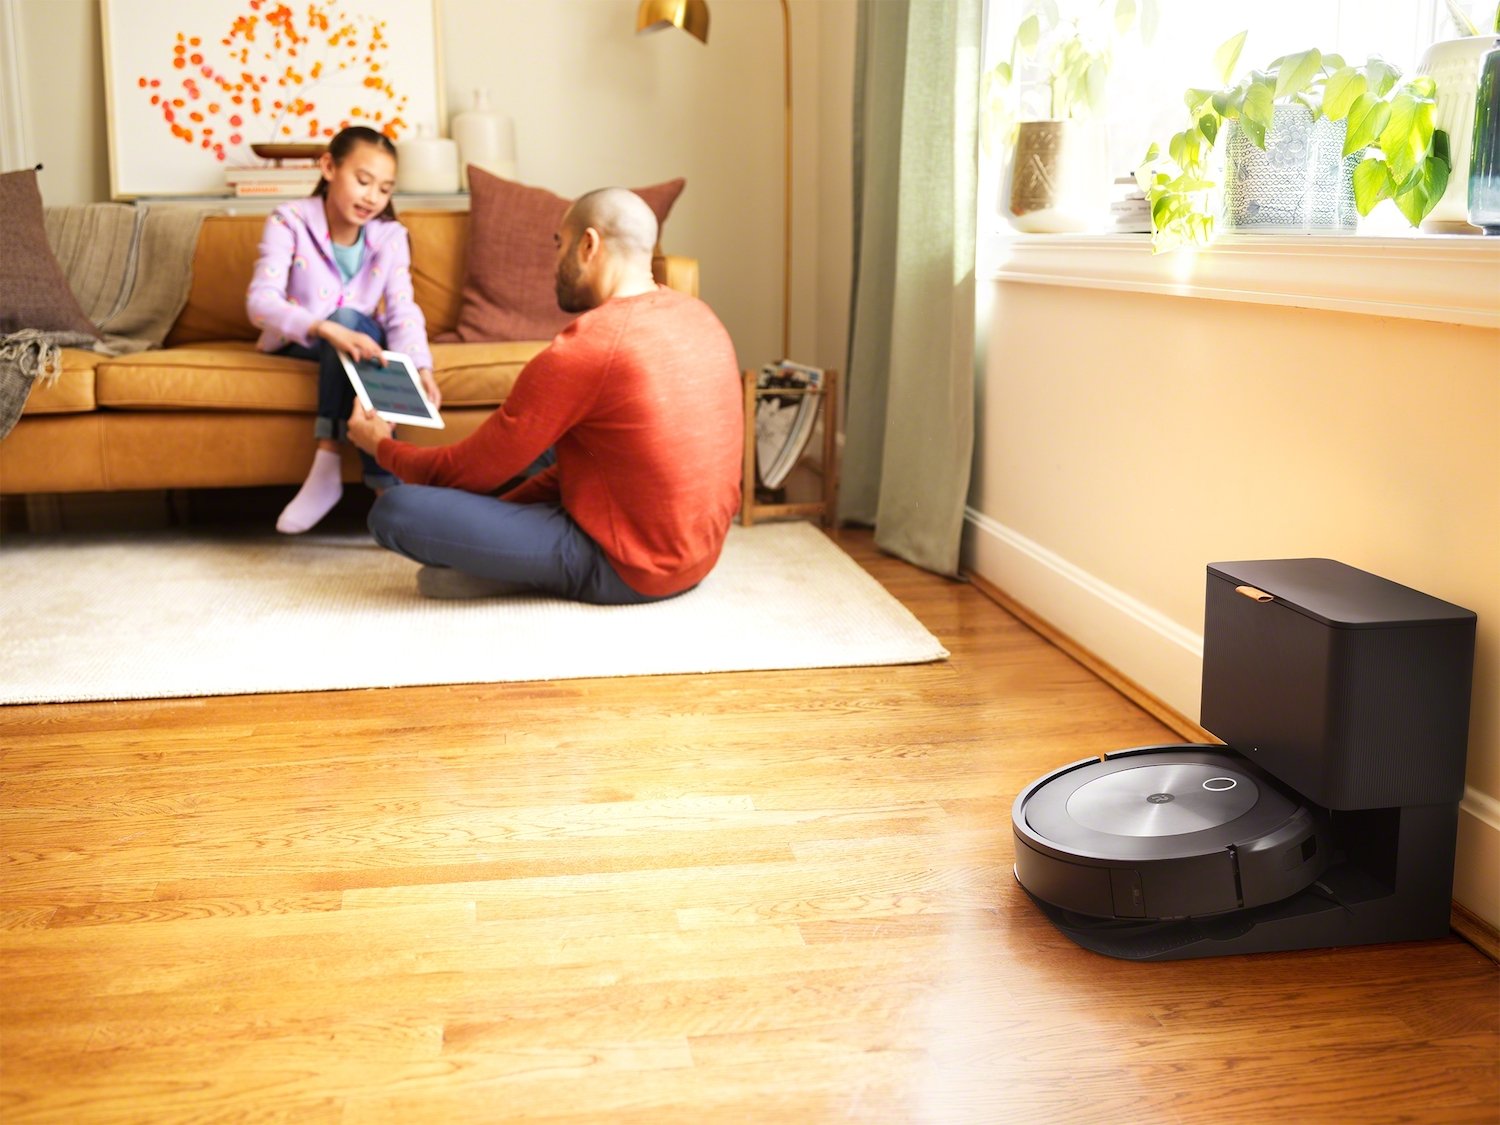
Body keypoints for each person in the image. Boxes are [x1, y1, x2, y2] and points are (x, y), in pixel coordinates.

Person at [346, 187, 743, 605]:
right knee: (558, 444)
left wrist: (381, 447)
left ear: (588, 245)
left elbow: (466, 471)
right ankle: (505, 559)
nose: (554, 262)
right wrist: (501, 513)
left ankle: (519, 567)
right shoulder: (701, 314)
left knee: (396, 511)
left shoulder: (587, 347)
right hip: (698, 558)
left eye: (559, 244)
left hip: (629, 569)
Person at [246, 125, 440, 534]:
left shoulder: (390, 236)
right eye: (363, 181)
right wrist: (324, 327)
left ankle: (346, 476)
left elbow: (402, 310)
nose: (372, 197)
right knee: (347, 324)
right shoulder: (290, 220)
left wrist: (422, 369)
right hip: (299, 340)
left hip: (356, 345)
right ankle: (377, 484)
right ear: (329, 166)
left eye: (385, 189)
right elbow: (260, 304)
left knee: (364, 338)